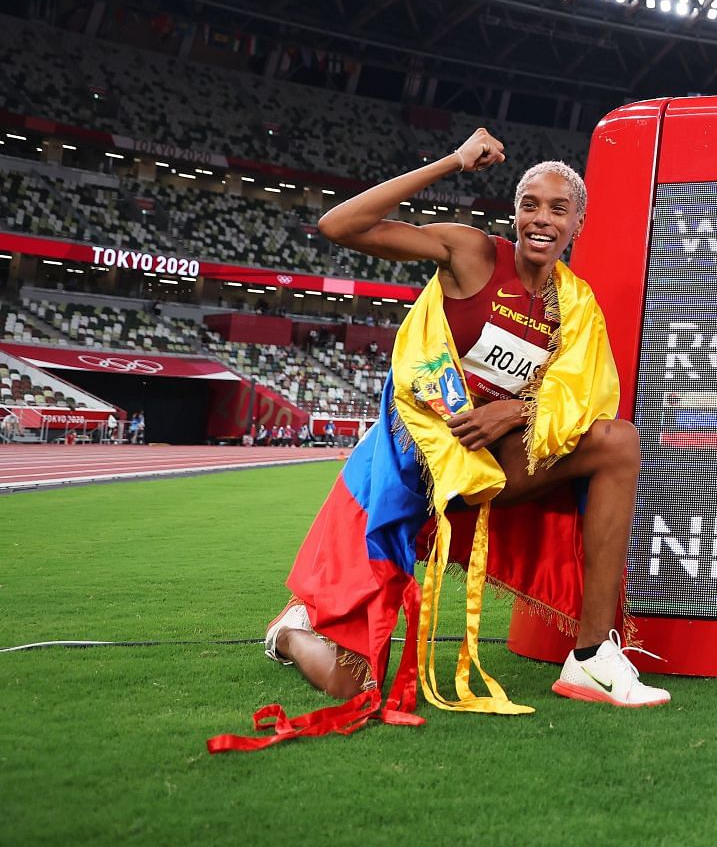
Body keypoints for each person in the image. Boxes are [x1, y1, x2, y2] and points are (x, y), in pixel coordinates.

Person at [216, 130, 662, 755]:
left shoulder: (575, 304)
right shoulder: (472, 252)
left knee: (618, 442)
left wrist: (515, 409)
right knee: (353, 688)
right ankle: (292, 631)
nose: (541, 218)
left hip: (489, 469)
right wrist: (452, 162)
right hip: (407, 467)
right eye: (530, 203)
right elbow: (341, 225)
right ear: (515, 211)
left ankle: (590, 655)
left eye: (558, 208)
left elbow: (584, 397)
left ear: (577, 223)